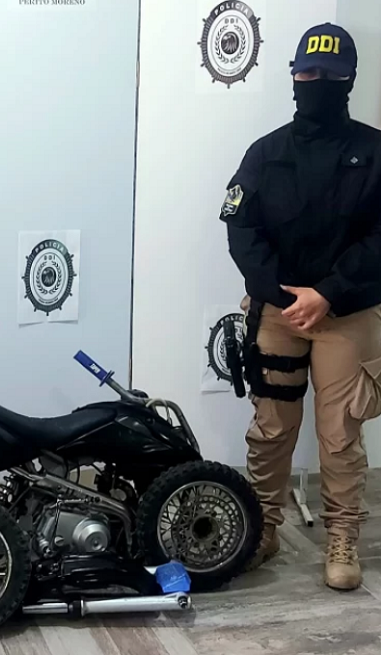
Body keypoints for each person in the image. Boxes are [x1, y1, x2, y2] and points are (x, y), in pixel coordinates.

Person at [220, 23, 381, 591]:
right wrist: (282, 294)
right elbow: (242, 229)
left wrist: (329, 291)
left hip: (347, 313)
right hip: (279, 314)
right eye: (309, 72)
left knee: (340, 436)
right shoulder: (266, 153)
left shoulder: (375, 152)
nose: (318, 82)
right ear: (293, 75)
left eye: (331, 74)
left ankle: (342, 538)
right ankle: (263, 528)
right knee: (270, 428)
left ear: (350, 79)